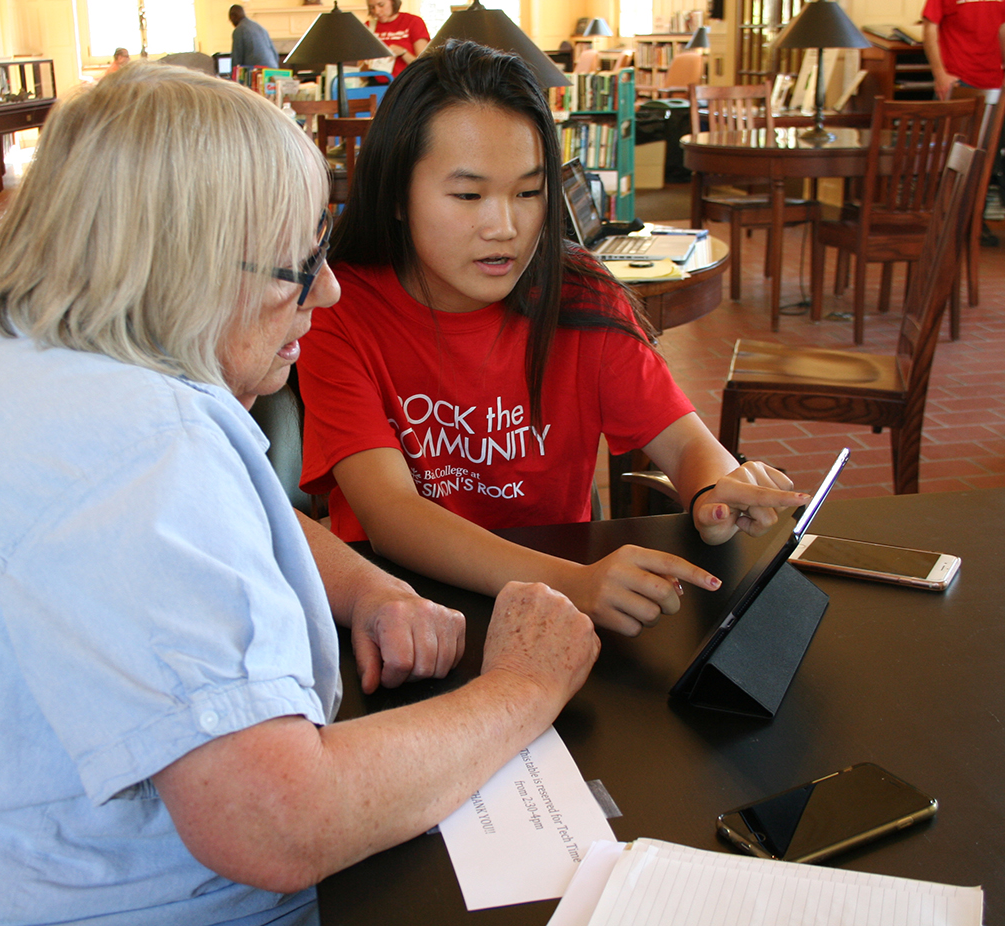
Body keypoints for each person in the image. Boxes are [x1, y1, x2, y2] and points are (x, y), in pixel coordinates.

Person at [0, 64, 600, 926]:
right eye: (297, 266)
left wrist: (367, 587)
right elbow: (277, 824)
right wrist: (523, 687)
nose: (326, 292)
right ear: (181, 267)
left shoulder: (32, 350)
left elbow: (224, 523)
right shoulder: (137, 451)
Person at [297, 41, 808, 639]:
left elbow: (688, 445)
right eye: (468, 195)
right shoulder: (341, 305)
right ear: (397, 198)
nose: (504, 227)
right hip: (403, 615)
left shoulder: (578, 295)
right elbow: (392, 515)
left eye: (528, 191)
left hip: (556, 619)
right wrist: (574, 582)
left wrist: (717, 491)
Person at [922, 0, 1005, 99]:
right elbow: (930, 28)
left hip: (994, 80)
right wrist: (940, 75)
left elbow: (1004, 26)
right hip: (957, 80)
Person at [366, 0, 429, 75]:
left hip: (405, 80)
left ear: (393, 2)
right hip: (377, 82)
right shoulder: (368, 26)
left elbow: (424, 65)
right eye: (372, 7)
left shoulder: (413, 22)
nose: (377, 11)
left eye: (381, 5)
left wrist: (403, 53)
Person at [228, 4, 278, 69]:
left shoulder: (239, 30)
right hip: (273, 68)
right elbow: (275, 54)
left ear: (233, 16)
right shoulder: (260, 28)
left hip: (257, 72)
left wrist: (232, 77)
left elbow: (237, 59)